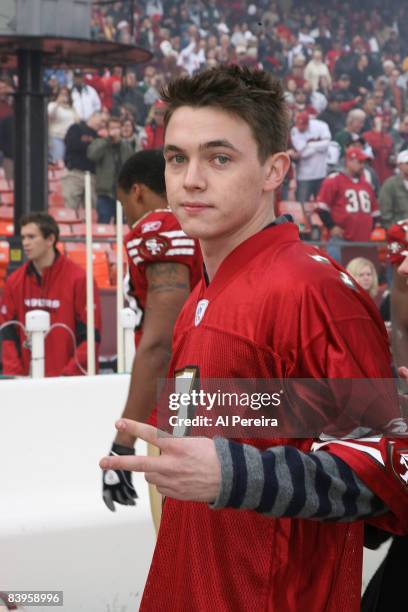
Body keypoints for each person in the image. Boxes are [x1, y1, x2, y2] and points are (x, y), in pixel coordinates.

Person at [100, 66, 408, 611]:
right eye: (177, 158)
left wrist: (234, 474)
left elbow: (390, 462)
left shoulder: (311, 288)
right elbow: (262, 421)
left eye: (220, 158)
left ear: (275, 170)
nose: (191, 179)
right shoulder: (202, 293)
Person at [102, 150, 202, 511]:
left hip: (182, 404)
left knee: (179, 548)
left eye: (124, 202)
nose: (127, 214)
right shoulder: (197, 223)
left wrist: (123, 439)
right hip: (218, 397)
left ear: (138, 192)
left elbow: (161, 343)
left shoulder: (157, 229)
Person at [0, 212, 101, 377]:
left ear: (50, 240)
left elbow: (91, 336)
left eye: (31, 237)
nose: (25, 243)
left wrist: (67, 376)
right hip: (24, 382)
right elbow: (7, 335)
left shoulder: (79, 279)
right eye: (23, 237)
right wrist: (15, 376)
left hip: (68, 383)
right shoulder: (14, 281)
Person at [316, 146, 381, 261]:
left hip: (363, 241)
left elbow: (375, 213)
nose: (362, 166)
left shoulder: (367, 185)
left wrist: (367, 228)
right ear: (349, 161)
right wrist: (332, 226)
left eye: (364, 163)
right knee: (338, 274)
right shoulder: (334, 180)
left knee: (361, 275)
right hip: (341, 239)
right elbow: (322, 207)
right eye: (359, 162)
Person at [87, 116, 133, 224]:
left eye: (117, 128)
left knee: (123, 225)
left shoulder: (126, 147)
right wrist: (108, 140)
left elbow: (132, 166)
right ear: (107, 130)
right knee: (103, 222)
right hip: (105, 193)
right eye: (112, 128)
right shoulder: (100, 143)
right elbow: (92, 155)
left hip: (122, 193)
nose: (115, 131)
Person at [62, 111, 103, 213]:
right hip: (75, 172)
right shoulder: (76, 128)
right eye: (101, 120)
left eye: (104, 122)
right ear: (93, 116)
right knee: (70, 207)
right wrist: (90, 147)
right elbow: (71, 144)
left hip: (93, 176)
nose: (102, 124)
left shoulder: (100, 137)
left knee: (92, 210)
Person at [290, 110, 331, 202]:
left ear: (308, 123)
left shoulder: (320, 126)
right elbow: (303, 153)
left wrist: (309, 145)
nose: (300, 128)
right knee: (301, 205)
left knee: (320, 204)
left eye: (303, 126)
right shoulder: (294, 130)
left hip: (320, 173)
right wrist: (318, 145)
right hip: (304, 175)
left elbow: (327, 144)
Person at [47, 86, 78, 164]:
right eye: (62, 94)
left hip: (69, 139)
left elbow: (77, 121)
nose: (64, 96)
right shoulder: (52, 105)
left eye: (66, 94)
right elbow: (49, 116)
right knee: (58, 161)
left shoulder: (71, 108)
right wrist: (58, 103)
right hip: (57, 137)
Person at [378, 150, 408, 228]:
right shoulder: (390, 184)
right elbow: (385, 213)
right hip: (398, 232)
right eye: (407, 163)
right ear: (399, 165)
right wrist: (395, 230)